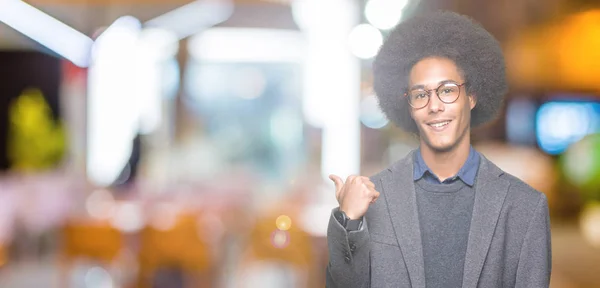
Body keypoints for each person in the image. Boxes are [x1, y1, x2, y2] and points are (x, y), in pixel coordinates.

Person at [326, 11, 551, 288]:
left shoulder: (524, 207)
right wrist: (349, 221)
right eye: (421, 94)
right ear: (409, 106)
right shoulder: (374, 197)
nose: (434, 106)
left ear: (471, 96)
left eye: (446, 90)